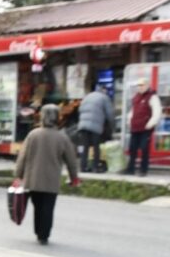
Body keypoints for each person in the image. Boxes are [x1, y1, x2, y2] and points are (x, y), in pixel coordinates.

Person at [14, 104, 80, 245]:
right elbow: (71, 160)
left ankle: (38, 231)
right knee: (48, 209)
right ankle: (44, 235)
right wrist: (74, 177)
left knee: (38, 207)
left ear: (42, 117)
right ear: (57, 118)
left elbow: (22, 157)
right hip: (51, 181)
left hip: (33, 180)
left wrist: (18, 175)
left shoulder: (33, 135)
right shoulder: (62, 137)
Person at [126, 78, 161, 177]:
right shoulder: (136, 97)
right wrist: (129, 120)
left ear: (147, 85)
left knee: (144, 149)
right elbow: (133, 111)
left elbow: (157, 112)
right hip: (135, 127)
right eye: (138, 85)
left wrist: (150, 124)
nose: (140, 87)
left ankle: (143, 170)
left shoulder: (152, 97)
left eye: (142, 85)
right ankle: (130, 169)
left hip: (145, 128)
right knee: (132, 149)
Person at [77, 84, 114, 173]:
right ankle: (95, 167)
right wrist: (112, 127)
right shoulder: (104, 98)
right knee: (96, 146)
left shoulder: (87, 97)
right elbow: (110, 114)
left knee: (85, 147)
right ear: (103, 90)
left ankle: (83, 167)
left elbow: (80, 110)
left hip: (83, 125)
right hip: (95, 126)